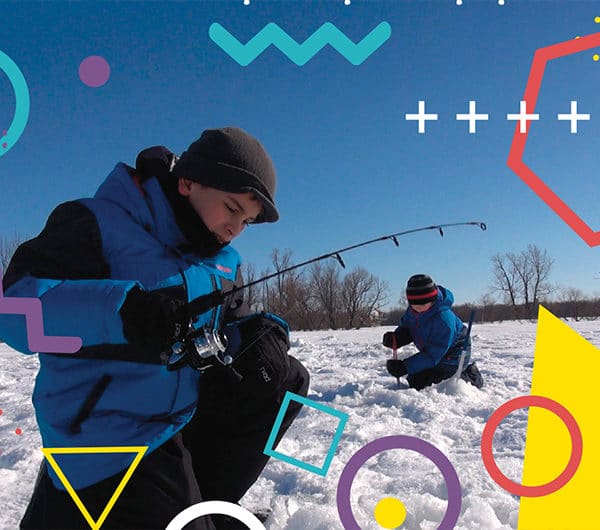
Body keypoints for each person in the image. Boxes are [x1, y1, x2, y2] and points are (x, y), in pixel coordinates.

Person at [0, 127, 309, 530]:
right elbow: (14, 312)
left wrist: (263, 333)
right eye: (232, 208)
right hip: (111, 432)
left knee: (284, 379)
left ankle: (206, 506)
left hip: (178, 416)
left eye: (247, 221)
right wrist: (124, 311)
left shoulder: (221, 260)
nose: (236, 228)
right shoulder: (97, 223)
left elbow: (228, 322)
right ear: (187, 182)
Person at [383, 274, 483, 391]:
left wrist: (405, 366)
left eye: (423, 304)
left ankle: (471, 376)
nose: (418, 308)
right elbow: (407, 326)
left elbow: (432, 355)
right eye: (415, 305)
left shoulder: (443, 320)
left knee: (423, 384)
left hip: (454, 354)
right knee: (414, 379)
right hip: (434, 351)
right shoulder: (412, 311)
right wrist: (398, 337)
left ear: (432, 300)